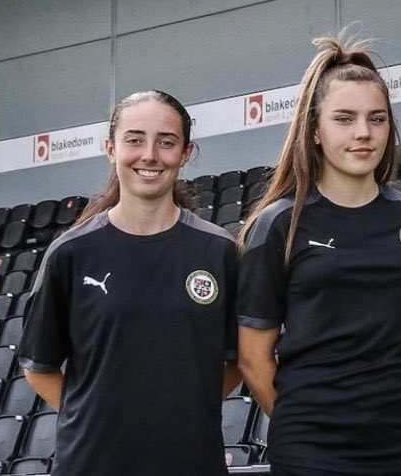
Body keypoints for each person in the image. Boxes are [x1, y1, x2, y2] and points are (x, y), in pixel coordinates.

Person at [237, 35, 401, 476]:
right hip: (312, 449)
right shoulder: (278, 225)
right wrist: (306, 424)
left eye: (377, 118)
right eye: (344, 119)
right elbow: (254, 358)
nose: (363, 133)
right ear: (315, 129)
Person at [18, 90, 239, 476]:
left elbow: (243, 359)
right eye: (134, 140)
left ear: (186, 153)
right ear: (110, 149)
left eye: (166, 142)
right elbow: (39, 367)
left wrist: (185, 414)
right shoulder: (70, 254)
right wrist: (96, 420)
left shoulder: (220, 252)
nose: (150, 155)